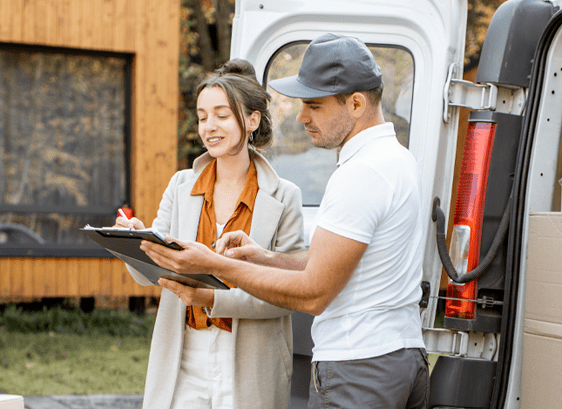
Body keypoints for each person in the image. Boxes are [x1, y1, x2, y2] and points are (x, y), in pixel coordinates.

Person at [143, 33, 429, 408]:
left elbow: (314, 293)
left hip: (360, 369)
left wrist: (214, 265)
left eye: (314, 105)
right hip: (398, 355)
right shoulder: (396, 159)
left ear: (356, 103)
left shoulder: (362, 173)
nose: (301, 117)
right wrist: (266, 257)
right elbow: (326, 264)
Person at [114, 59, 305, 409]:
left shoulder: (285, 196)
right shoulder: (180, 185)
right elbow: (151, 276)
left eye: (221, 115)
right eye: (202, 117)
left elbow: (284, 295)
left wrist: (211, 299)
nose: (209, 127)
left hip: (250, 363)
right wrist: (137, 243)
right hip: (184, 358)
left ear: (251, 121)